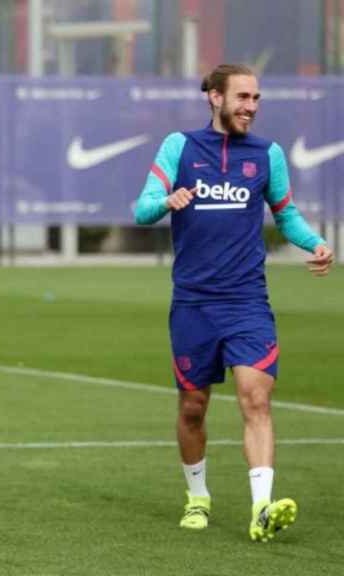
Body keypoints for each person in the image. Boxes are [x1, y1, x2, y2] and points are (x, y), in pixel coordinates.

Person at [134, 63, 333, 542]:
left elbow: (285, 216)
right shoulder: (179, 147)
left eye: (256, 98)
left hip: (247, 302)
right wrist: (168, 201)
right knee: (193, 408)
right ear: (215, 98)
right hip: (193, 304)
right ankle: (198, 498)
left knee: (256, 399)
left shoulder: (268, 155)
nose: (251, 107)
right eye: (243, 97)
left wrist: (316, 243)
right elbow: (142, 209)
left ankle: (261, 508)